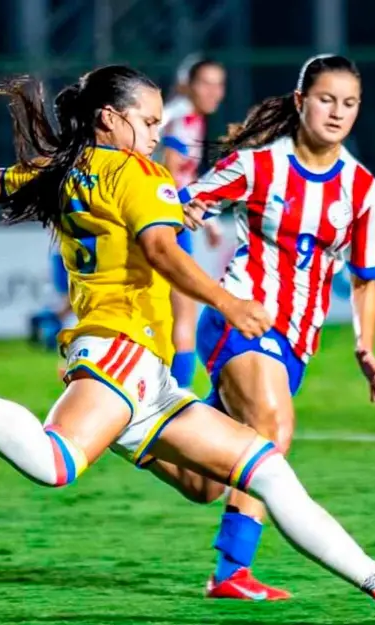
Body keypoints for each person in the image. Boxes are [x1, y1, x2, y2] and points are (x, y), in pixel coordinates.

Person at [0, 64, 375, 613]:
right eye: (147, 123)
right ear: (108, 119)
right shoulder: (138, 176)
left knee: (256, 471)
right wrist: (230, 303)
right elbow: (163, 251)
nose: (156, 134)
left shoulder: (62, 169)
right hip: (118, 352)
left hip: (148, 384)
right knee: (54, 462)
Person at [181, 55, 375, 600]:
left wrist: (364, 344)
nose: (337, 112)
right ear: (300, 102)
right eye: (326, 99)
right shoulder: (256, 167)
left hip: (296, 343)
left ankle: (125, 418)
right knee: (274, 426)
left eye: (349, 103)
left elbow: (365, 280)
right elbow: (183, 210)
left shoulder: (364, 192)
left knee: (205, 479)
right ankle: (231, 572)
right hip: (240, 318)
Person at [157, 58, 227, 390]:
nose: (215, 92)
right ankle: (177, 400)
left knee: (167, 314)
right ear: (188, 84)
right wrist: (183, 211)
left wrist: (210, 223)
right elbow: (170, 169)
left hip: (152, 216)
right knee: (184, 314)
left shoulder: (176, 113)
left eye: (219, 84)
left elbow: (183, 171)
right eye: (206, 83)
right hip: (166, 222)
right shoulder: (183, 117)